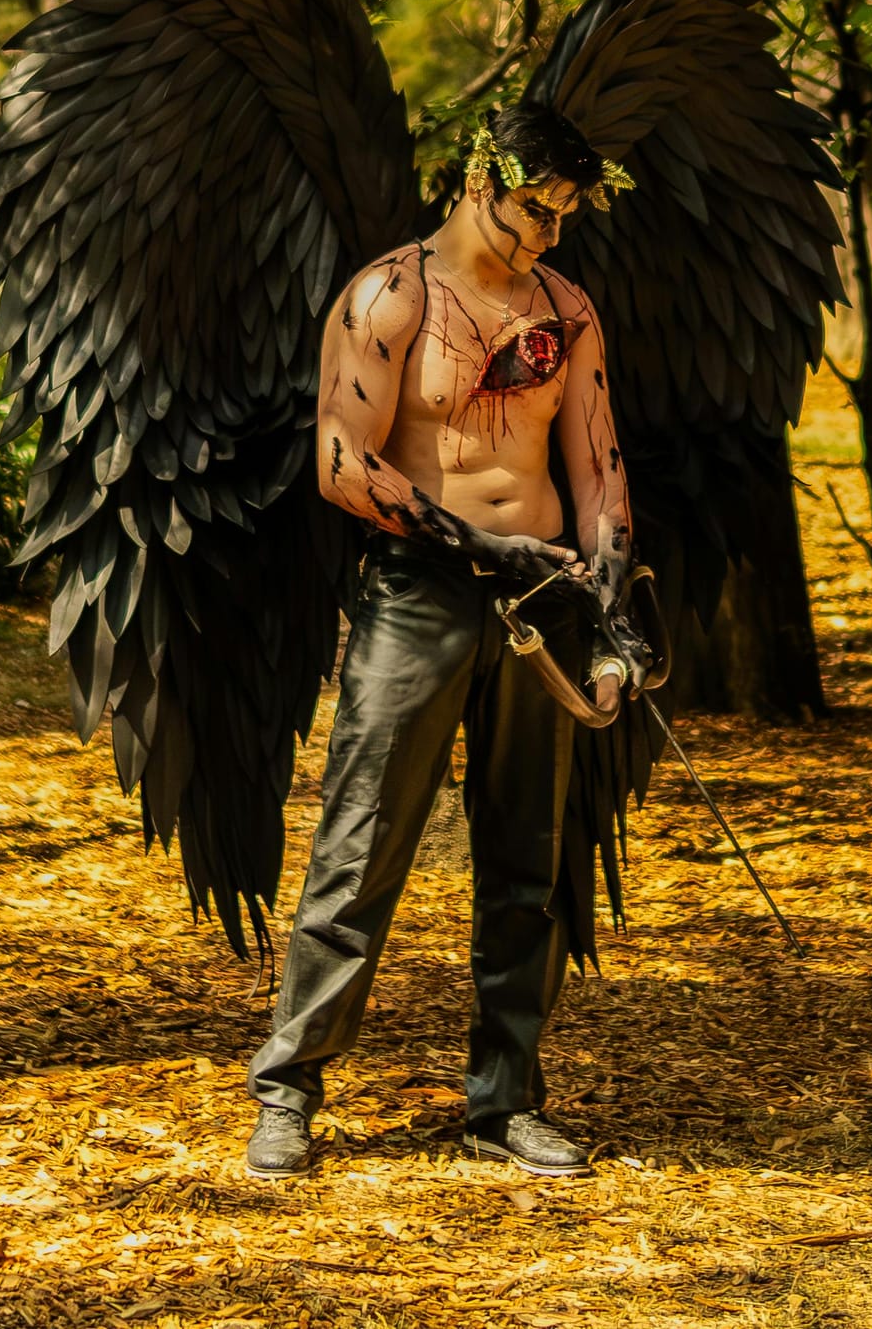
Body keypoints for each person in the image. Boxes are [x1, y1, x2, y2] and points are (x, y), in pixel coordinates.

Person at [243, 99, 635, 1180]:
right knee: (361, 846)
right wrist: (472, 542)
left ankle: (504, 1101)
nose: (547, 233)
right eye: (532, 208)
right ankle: (289, 1091)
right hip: (420, 592)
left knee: (528, 863)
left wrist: (608, 584)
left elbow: (596, 461)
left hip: (541, 601)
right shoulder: (390, 294)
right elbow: (338, 459)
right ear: (477, 181)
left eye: (564, 214)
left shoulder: (568, 307)